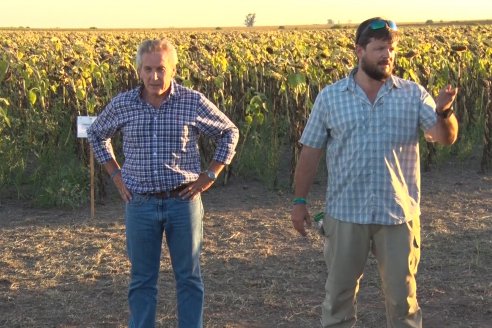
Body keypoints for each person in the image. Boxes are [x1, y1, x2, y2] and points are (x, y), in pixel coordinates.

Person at [291, 17, 459, 327]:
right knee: (338, 301)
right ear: (359, 50)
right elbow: (311, 151)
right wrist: (299, 201)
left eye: (392, 49)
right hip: (344, 215)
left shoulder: (412, 94)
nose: (388, 55)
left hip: (397, 215)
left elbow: (445, 137)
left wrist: (444, 112)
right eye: (380, 48)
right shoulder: (331, 97)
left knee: (403, 304)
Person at [87, 39, 239, 328]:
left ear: (173, 69)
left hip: (183, 202)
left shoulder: (192, 101)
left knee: (189, 277)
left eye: (161, 69)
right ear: (138, 71)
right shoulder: (123, 104)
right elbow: (96, 134)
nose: (154, 76)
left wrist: (210, 175)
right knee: (142, 280)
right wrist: (116, 176)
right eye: (148, 69)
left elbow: (229, 132)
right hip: (140, 204)